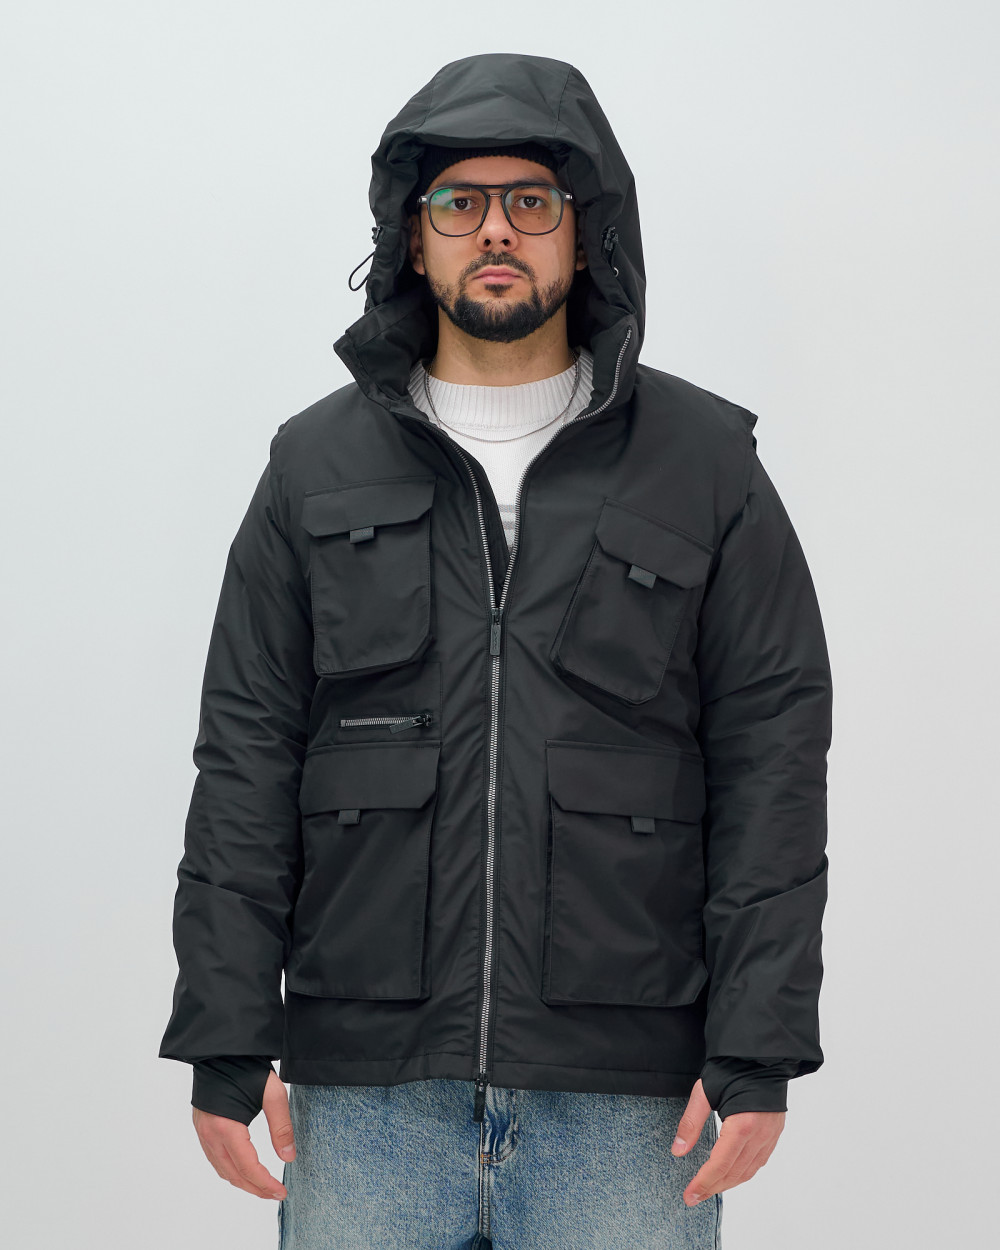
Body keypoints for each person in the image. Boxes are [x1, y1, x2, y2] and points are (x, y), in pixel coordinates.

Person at [159, 52, 833, 1249]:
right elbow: (248, 753)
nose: (495, 229)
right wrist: (224, 1031)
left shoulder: (704, 464)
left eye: (531, 199)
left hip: (626, 1103)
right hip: (365, 1094)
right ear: (411, 239)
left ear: (585, 231)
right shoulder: (313, 465)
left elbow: (771, 760)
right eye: (458, 202)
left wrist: (757, 1043)